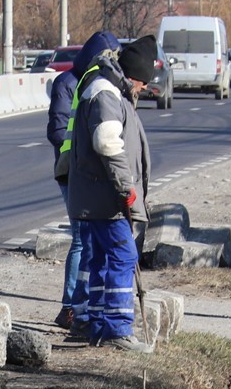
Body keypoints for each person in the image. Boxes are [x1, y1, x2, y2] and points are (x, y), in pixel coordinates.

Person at [65, 35, 157, 351]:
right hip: (106, 198)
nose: (144, 89)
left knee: (102, 260)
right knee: (123, 255)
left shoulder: (106, 89)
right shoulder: (106, 94)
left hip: (97, 197)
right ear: (134, 76)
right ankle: (117, 330)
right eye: (144, 83)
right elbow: (107, 142)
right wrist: (126, 187)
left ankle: (97, 326)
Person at [47, 31, 119, 334]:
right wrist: (80, 150)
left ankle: (82, 305)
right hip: (71, 172)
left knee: (88, 239)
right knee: (80, 239)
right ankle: (70, 309)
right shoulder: (68, 83)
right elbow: (57, 130)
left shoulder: (96, 83)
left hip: (86, 173)